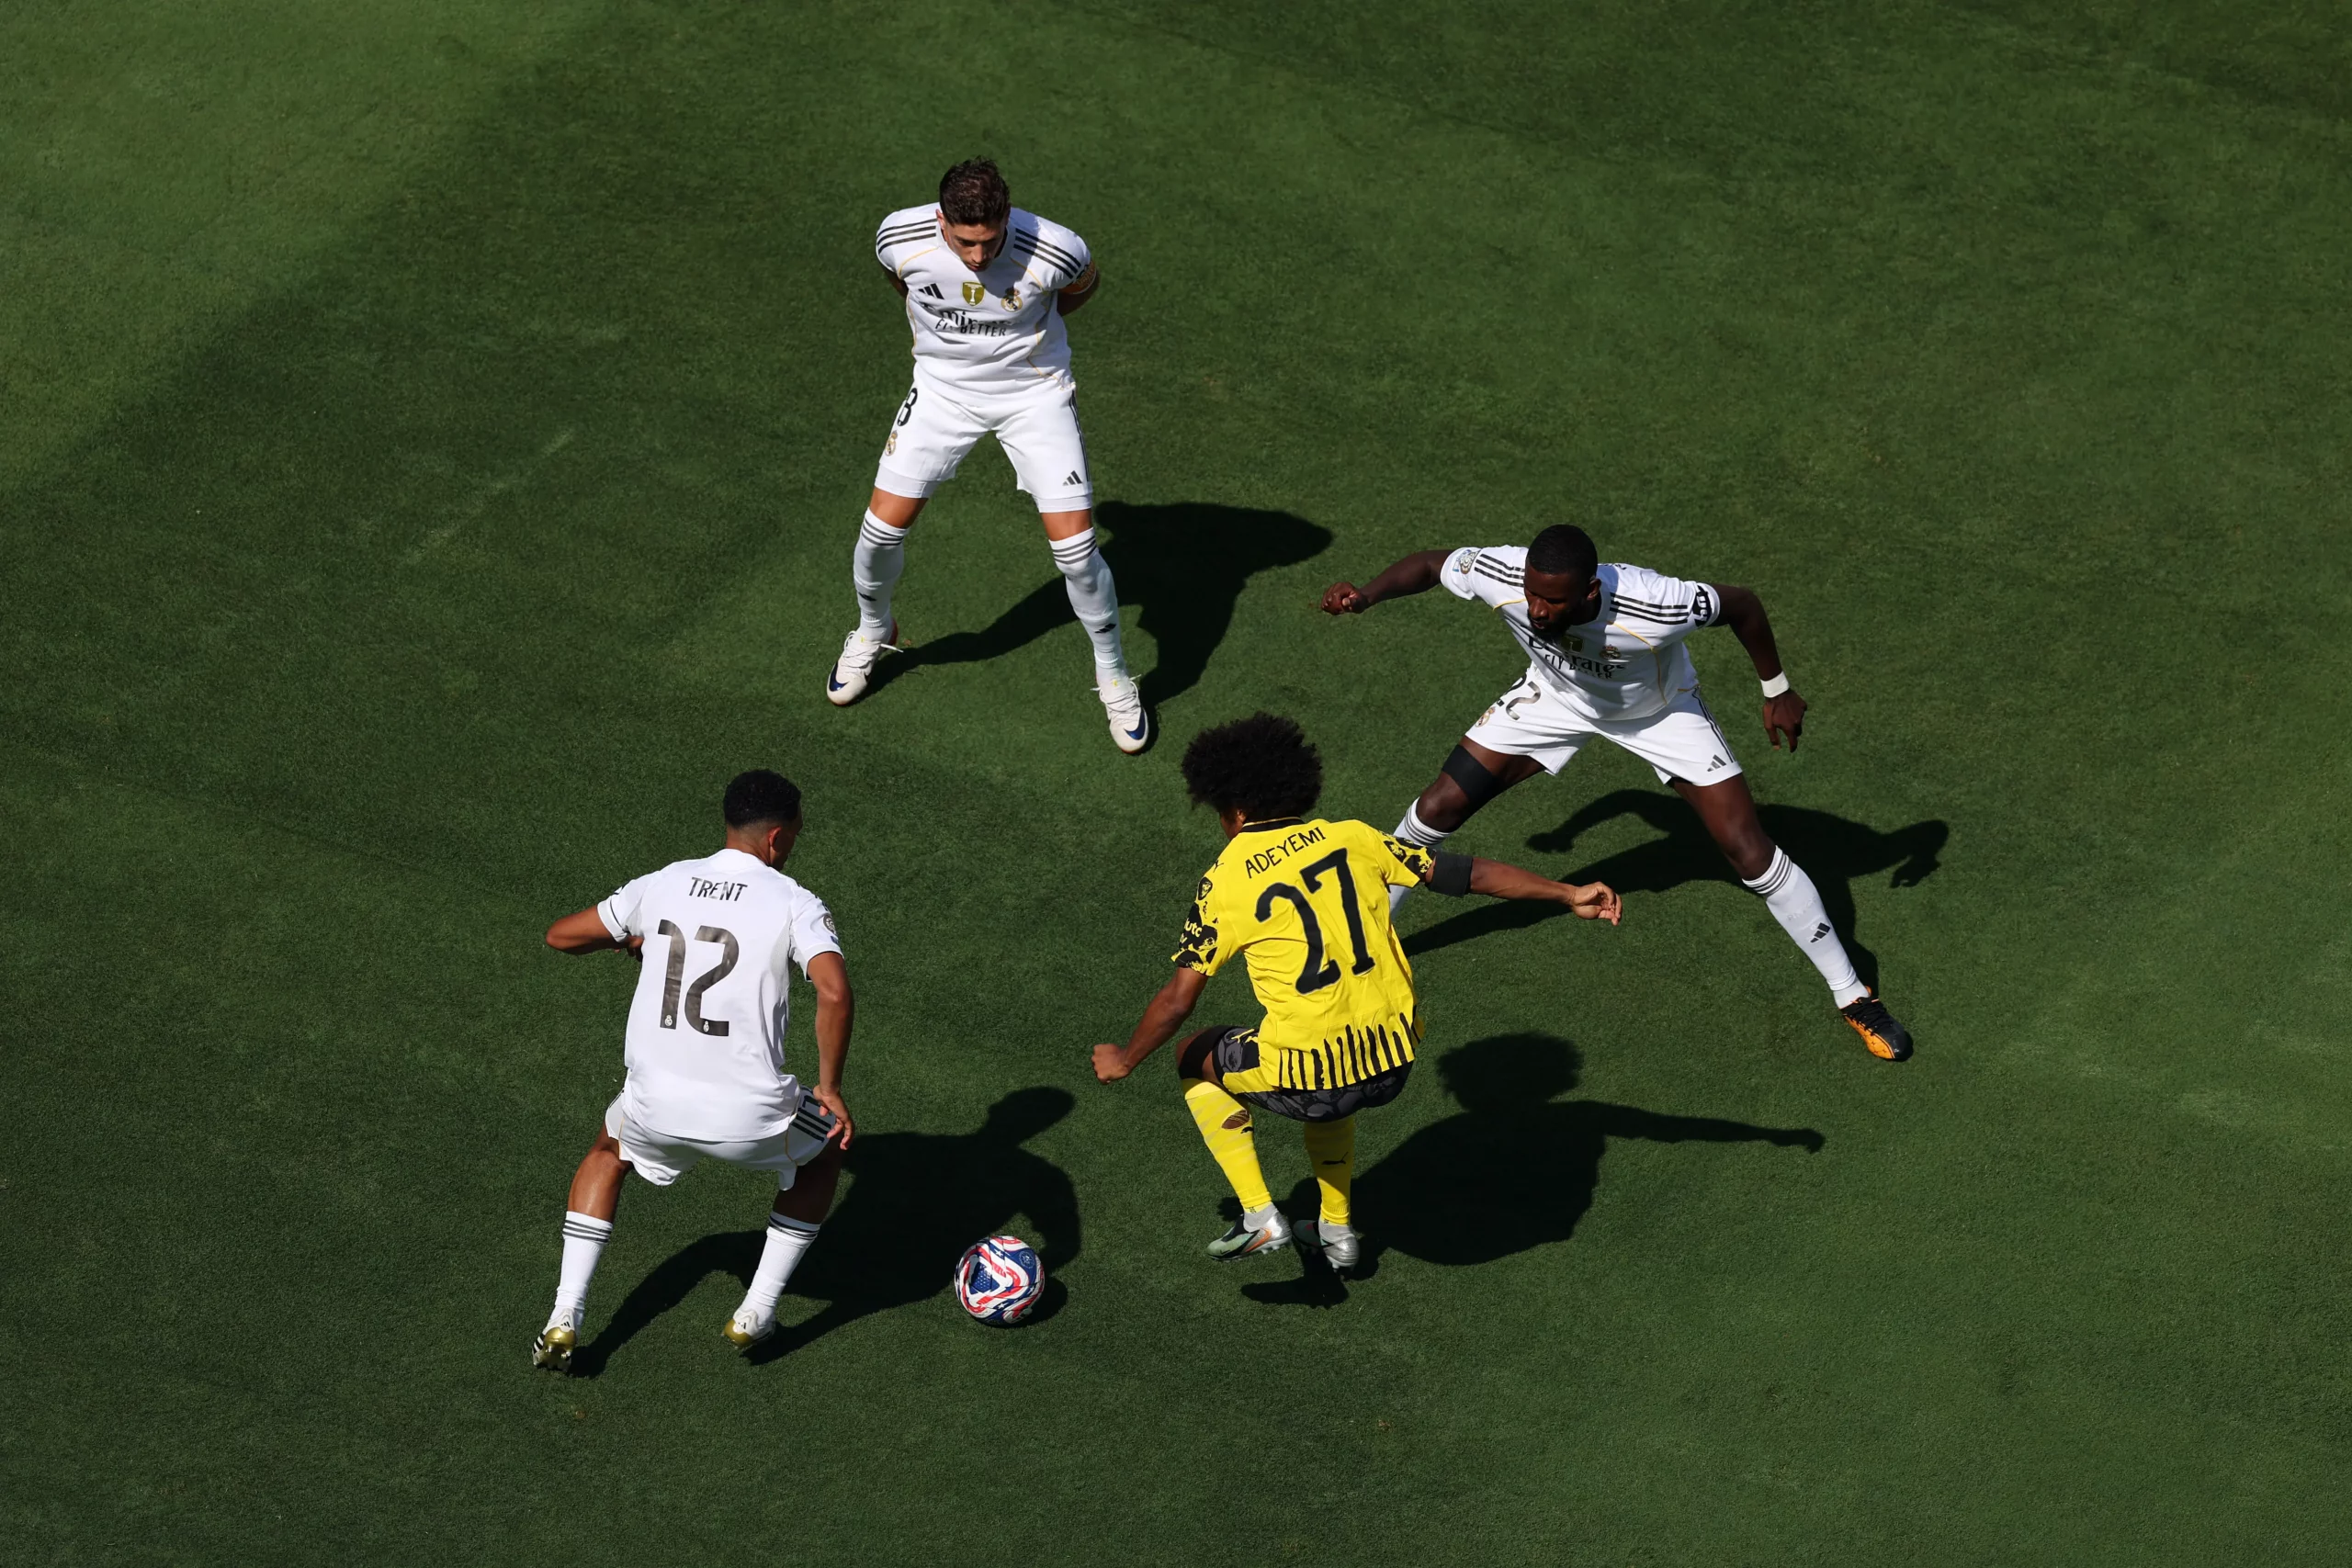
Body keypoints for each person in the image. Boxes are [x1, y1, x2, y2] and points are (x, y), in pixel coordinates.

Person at [1319, 524, 1913, 1062]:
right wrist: (1366, 594)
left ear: (1589, 594)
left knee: (1746, 846)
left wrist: (1776, 688)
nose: (1536, 609)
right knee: (1437, 806)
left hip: (1660, 713)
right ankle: (1369, 932)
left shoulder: (1655, 603)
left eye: (1552, 600)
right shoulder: (1504, 574)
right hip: (1554, 699)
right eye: (1532, 593)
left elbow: (1742, 605)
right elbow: (1430, 563)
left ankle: (1852, 993)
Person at [1090, 714, 1622, 1270]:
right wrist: (1567, 893)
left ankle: (1258, 1216)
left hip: (1314, 1076)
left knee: (1192, 1054)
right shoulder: (1355, 837)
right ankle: (1336, 1231)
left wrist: (1124, 1060)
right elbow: (1468, 874)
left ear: (1238, 812)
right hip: (1393, 1063)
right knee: (1328, 1079)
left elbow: (1178, 1000)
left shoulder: (1225, 881)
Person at [530, 770, 854, 1372]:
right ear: (777, 837)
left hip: (656, 1107)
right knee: (829, 1146)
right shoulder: (794, 901)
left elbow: (560, 935)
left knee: (608, 1150)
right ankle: (756, 1309)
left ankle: (564, 1314)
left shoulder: (664, 882)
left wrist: (631, 941)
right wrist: (829, 1090)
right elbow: (833, 993)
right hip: (752, 1115)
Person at [831, 156, 1147, 753]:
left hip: (1034, 395)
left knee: (1078, 554)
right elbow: (904, 284)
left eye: (990, 240)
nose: (978, 256)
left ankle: (1113, 674)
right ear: (941, 219)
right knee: (877, 534)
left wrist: (1020, 342)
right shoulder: (897, 236)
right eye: (965, 241)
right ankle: (875, 630)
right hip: (943, 393)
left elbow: (1080, 290)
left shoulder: (1056, 249)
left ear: (1007, 217)